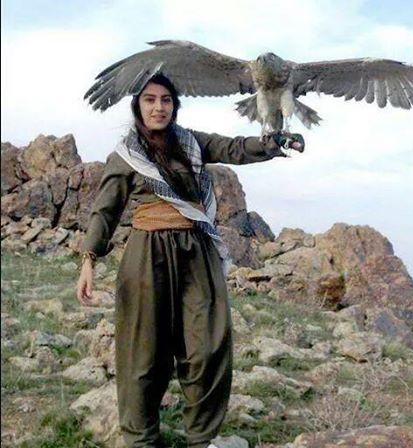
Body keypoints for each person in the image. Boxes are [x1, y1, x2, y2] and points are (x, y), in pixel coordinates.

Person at [76, 73, 305, 448]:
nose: (159, 107)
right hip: (146, 256)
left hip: (197, 253)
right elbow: (105, 211)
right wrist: (89, 259)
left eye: (166, 100)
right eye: (150, 99)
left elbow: (234, 148)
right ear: (138, 106)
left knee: (207, 346)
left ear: (174, 106)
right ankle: (141, 440)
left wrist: (274, 142)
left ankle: (201, 438)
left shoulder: (192, 143)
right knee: (143, 351)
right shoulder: (126, 154)